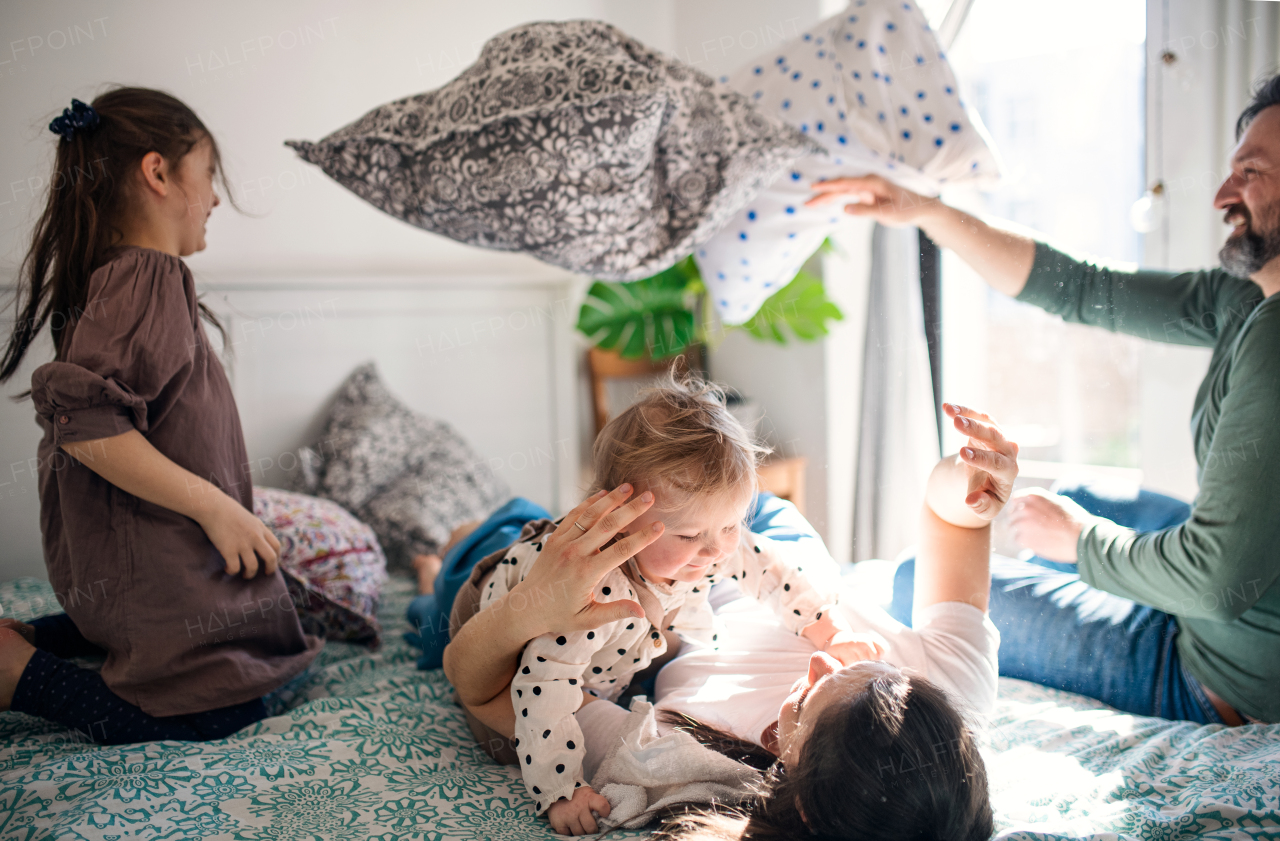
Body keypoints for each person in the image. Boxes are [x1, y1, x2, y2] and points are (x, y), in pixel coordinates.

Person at [804, 74, 1280, 726]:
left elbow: (1219, 583)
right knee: (1073, 494)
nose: (1224, 195)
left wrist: (1081, 542)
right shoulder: (1246, 296)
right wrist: (928, 211)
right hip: (1233, 600)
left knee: (915, 580)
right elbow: (1077, 286)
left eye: (1249, 173)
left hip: (1227, 674)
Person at [443, 402, 1016, 838]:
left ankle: (441, 565)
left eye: (813, 699)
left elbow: (507, 690)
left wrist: (560, 787)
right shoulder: (953, 703)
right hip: (752, 541)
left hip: (662, 572)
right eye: (876, 673)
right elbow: (956, 520)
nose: (822, 659)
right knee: (715, 512)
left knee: (480, 549)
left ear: (804, 800)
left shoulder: (679, 757)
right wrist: (970, 487)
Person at [0, 88, 323, 744]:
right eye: (208, 176)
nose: (213, 200)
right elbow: (85, 425)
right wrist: (216, 506)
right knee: (221, 708)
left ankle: (44, 634)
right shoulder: (148, 276)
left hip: (142, 583)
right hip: (154, 580)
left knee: (246, 656)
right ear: (157, 173)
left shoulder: (123, 279)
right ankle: (16, 671)